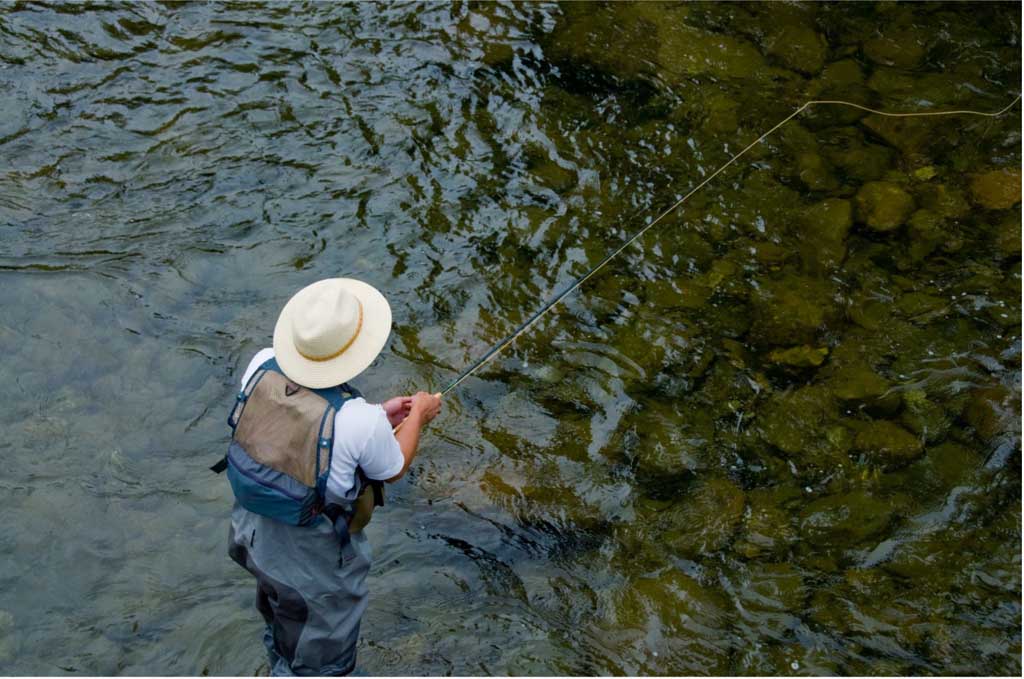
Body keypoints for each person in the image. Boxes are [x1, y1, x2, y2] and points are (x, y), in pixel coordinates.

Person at [217, 278, 442, 676]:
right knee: (324, 666)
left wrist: (377, 416)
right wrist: (418, 416)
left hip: (253, 538)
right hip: (310, 569)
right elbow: (394, 466)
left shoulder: (261, 364)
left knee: (282, 628)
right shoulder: (359, 421)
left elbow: (305, 416)